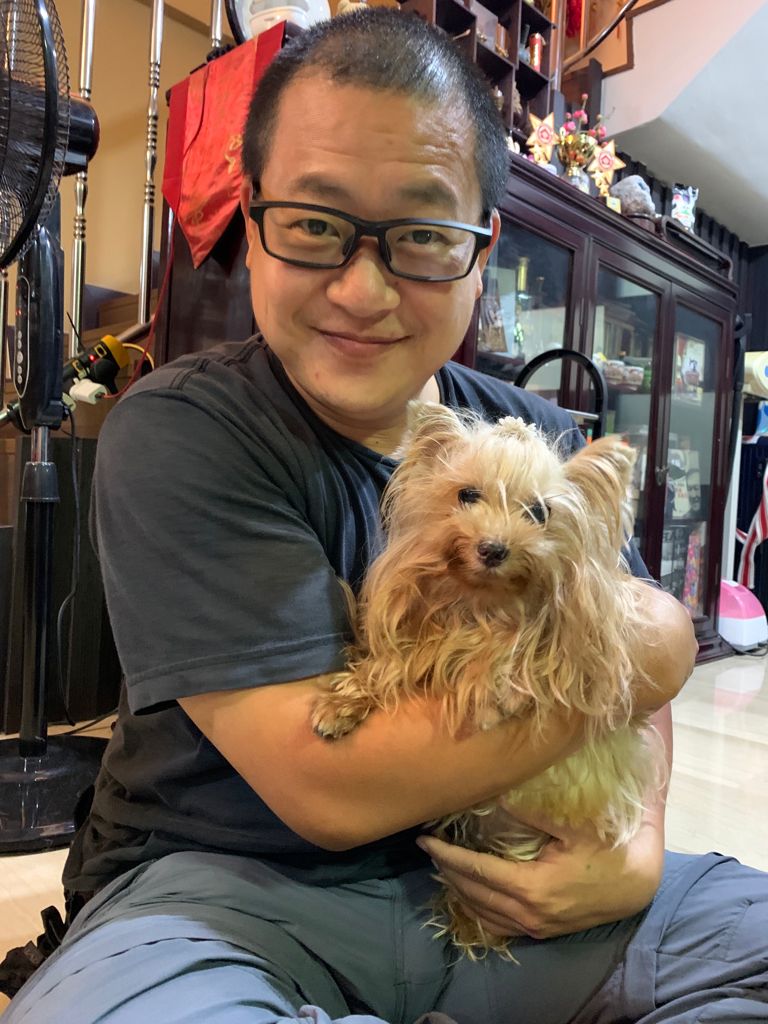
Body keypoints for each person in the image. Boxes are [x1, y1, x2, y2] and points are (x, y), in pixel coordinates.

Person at [5, 9, 767, 1023]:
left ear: (483, 247)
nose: (362, 289)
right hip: (237, 898)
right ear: (252, 211)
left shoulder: (539, 430)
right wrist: (656, 644)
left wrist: (635, 849)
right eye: (317, 223)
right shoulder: (184, 429)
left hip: (529, 885)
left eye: (419, 234)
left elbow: (642, 673)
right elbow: (332, 787)